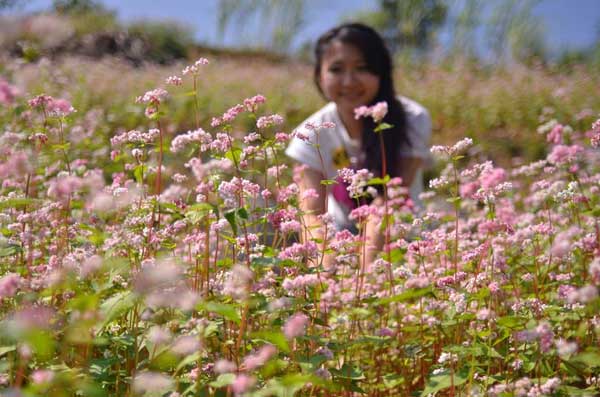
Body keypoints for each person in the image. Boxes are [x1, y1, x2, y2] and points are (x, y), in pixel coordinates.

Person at [285, 22, 431, 264]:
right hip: (342, 238)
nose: (349, 81)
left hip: (405, 240)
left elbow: (391, 200)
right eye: (336, 69)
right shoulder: (309, 134)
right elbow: (311, 216)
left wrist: (365, 278)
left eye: (362, 68)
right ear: (319, 76)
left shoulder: (412, 118)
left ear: (381, 73)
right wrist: (325, 279)